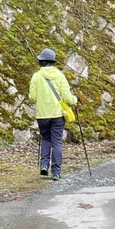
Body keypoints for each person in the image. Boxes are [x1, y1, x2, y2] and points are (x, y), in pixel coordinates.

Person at [28, 48, 78, 181]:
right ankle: (56, 172)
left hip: (42, 115)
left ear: (42, 62)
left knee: (45, 139)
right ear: (53, 62)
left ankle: (44, 165)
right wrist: (74, 100)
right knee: (56, 142)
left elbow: (32, 97)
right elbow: (67, 96)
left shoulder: (36, 76)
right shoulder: (60, 76)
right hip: (57, 115)